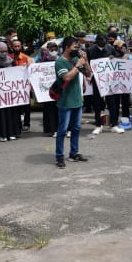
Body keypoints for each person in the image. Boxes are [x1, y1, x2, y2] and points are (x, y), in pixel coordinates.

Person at [54, 36, 91, 168]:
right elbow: (67, 77)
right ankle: (59, 156)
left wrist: (85, 61)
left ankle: (74, 153)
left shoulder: (77, 59)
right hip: (65, 102)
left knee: (76, 128)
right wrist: (77, 65)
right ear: (67, 47)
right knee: (63, 130)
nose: (77, 49)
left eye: (78, 47)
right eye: (75, 47)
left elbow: (88, 74)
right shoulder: (60, 62)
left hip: (77, 101)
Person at [0, 42, 22, 142]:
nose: (4, 53)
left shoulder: (11, 61)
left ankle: (12, 133)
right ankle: (2, 134)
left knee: (12, 113)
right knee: (0, 115)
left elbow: (17, 74)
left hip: (10, 94)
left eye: (5, 51)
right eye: (1, 51)